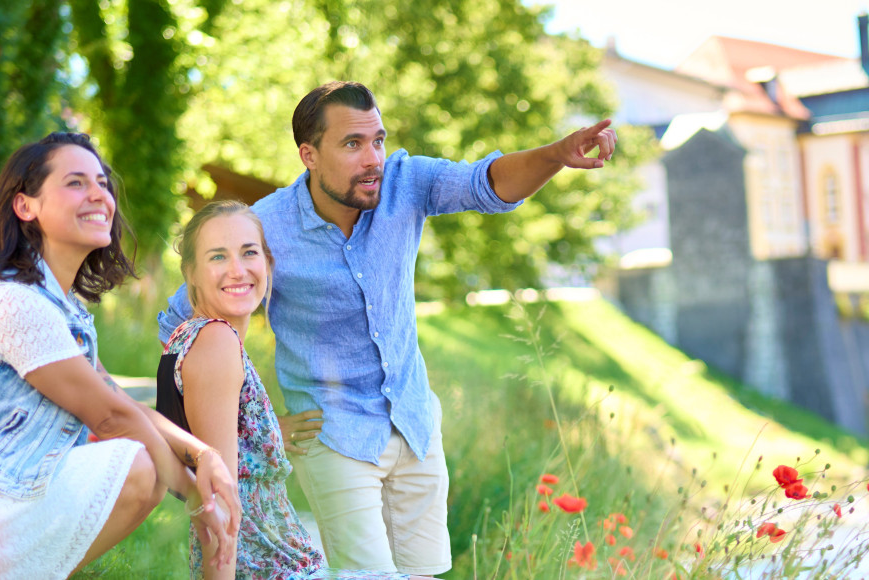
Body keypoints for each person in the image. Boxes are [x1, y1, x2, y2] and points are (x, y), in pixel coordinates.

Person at [158, 81, 615, 574]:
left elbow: (487, 184)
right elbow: (179, 327)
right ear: (309, 155)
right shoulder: (264, 227)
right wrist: (259, 428)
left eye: (377, 140)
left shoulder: (406, 182)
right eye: (352, 144)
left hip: (414, 423)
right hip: (334, 436)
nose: (373, 157)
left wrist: (556, 155)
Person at [0, 132, 239, 579]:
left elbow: (117, 398)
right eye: (75, 183)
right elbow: (110, 418)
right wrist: (199, 502)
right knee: (138, 467)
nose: (98, 194)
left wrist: (203, 454)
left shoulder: (62, 308)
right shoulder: (15, 302)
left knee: (137, 454)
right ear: (26, 206)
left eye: (102, 182)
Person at [159, 200, 426, 579]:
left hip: (285, 564)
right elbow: (218, 497)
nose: (238, 270)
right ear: (191, 274)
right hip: (269, 570)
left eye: (249, 252)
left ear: (268, 263)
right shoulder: (215, 342)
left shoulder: (200, 338)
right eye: (218, 256)